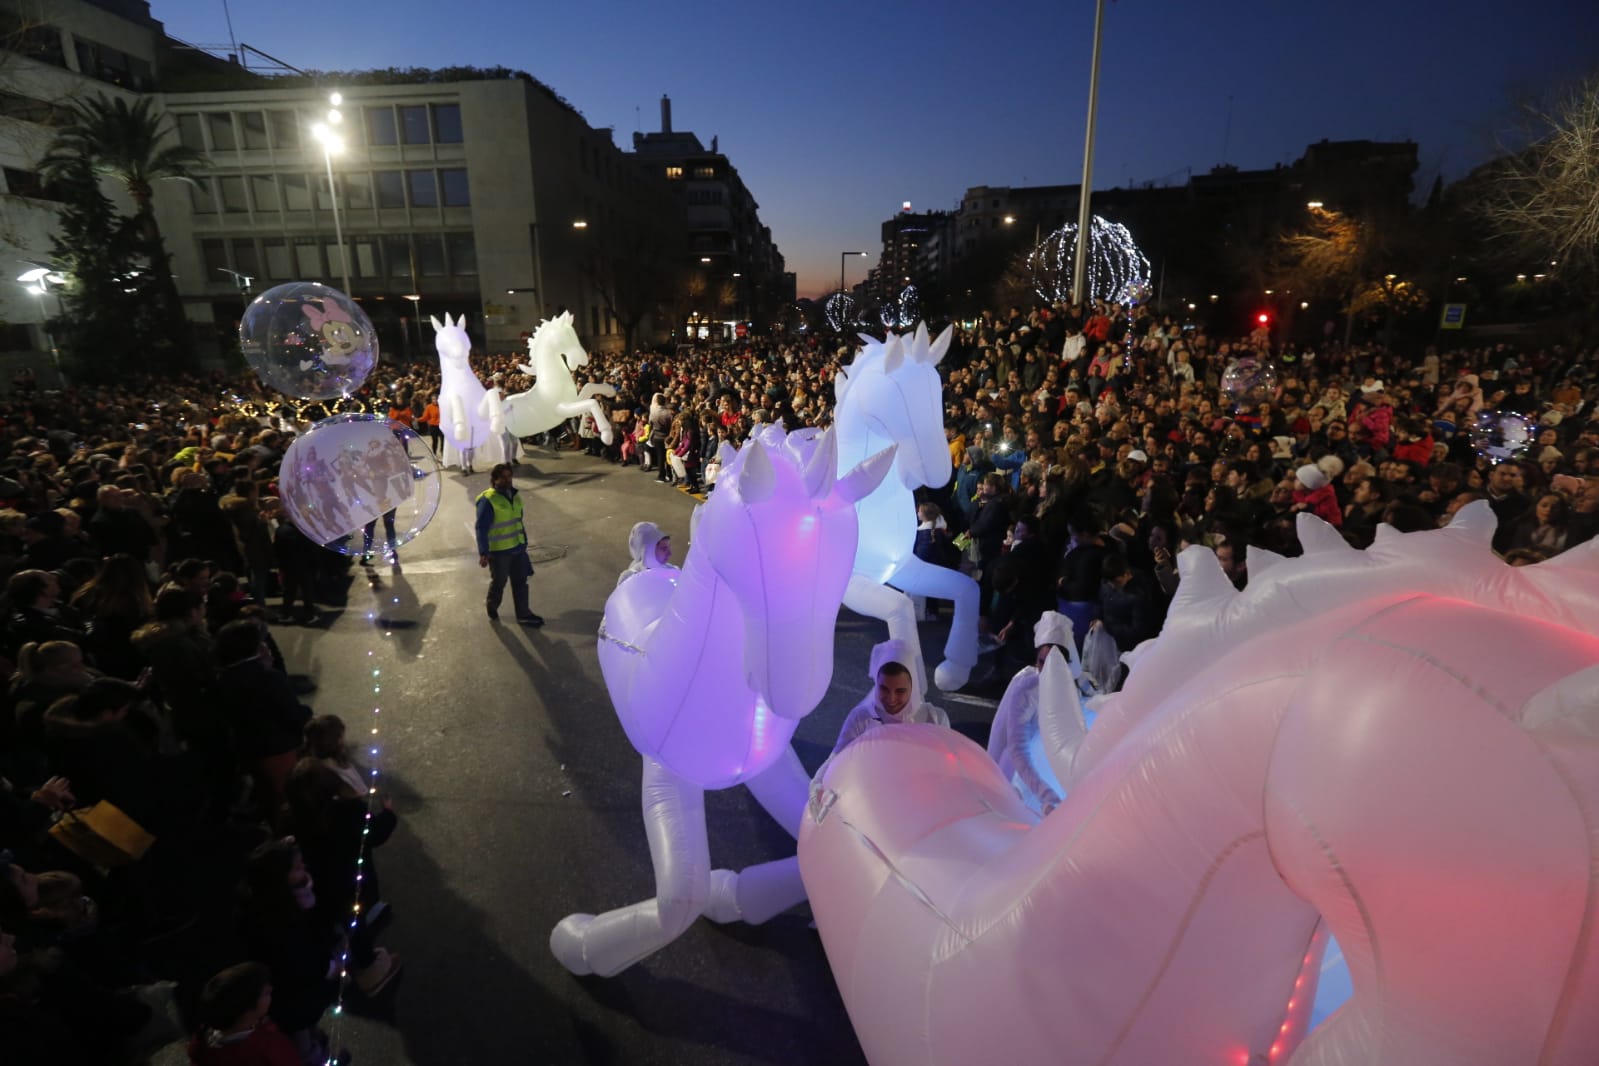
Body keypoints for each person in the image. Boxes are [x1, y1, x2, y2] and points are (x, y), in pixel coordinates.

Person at [830, 639, 949, 757]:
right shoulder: (861, 719)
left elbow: (949, 762)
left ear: (913, 688)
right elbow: (836, 760)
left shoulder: (935, 719)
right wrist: (818, 777)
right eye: (884, 689)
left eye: (900, 691)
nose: (891, 699)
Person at [186, 961, 302, 1066]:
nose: (271, 989)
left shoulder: (201, 1041)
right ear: (246, 1011)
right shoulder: (265, 1050)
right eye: (266, 993)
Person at [475, 463, 542, 626]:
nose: (507, 480)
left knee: (521, 582)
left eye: (509, 476)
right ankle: (492, 605)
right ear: (495, 479)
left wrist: (523, 541)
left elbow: (518, 520)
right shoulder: (488, 500)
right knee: (499, 583)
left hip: (517, 548)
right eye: (503, 477)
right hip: (499, 552)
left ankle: (523, 614)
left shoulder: (515, 495)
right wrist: (484, 552)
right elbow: (481, 528)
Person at [616, 521, 675, 586]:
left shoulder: (672, 571)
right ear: (648, 550)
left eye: (669, 547)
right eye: (664, 549)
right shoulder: (628, 579)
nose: (669, 553)